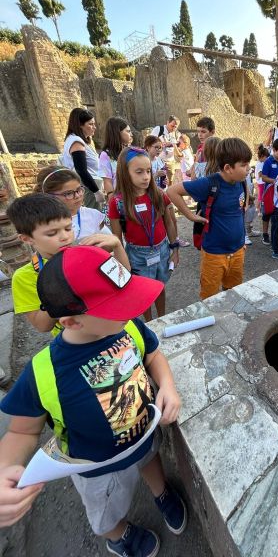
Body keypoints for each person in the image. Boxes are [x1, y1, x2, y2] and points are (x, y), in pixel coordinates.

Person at [0, 245, 187, 557]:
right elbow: (22, 431)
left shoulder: (129, 327)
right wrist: (5, 468)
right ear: (72, 321)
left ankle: (161, 490)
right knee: (106, 509)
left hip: (144, 435)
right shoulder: (44, 372)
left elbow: (153, 354)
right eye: (119, 305)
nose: (134, 310)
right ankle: (119, 535)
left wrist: (167, 385)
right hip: (98, 468)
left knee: (149, 459)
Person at [6, 193, 128, 336]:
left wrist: (118, 246)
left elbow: (124, 277)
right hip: (76, 339)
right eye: (52, 233)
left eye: (68, 228)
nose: (65, 237)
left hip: (111, 326)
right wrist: (57, 290)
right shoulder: (24, 277)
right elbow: (43, 326)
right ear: (27, 239)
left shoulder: (86, 255)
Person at [167, 138, 252, 300]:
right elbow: (172, 191)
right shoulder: (209, 183)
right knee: (209, 298)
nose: (248, 169)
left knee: (233, 294)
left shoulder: (240, 182)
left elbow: (240, 210)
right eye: (244, 165)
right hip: (214, 254)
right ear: (228, 168)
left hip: (237, 251)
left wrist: (241, 241)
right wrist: (190, 215)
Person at [108, 147, 179, 320]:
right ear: (125, 173)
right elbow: (116, 238)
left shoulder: (158, 195)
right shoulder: (118, 203)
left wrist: (175, 250)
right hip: (137, 256)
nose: (146, 176)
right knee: (143, 292)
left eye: (148, 171)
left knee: (160, 287)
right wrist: (122, 263)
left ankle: (161, 318)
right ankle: (150, 323)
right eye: (139, 172)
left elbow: (169, 222)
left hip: (162, 250)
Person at [34, 166, 110, 240]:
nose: (77, 196)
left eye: (79, 190)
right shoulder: (40, 222)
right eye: (68, 193)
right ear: (48, 196)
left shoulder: (93, 215)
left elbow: (110, 243)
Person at [62, 108, 105, 210]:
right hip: (90, 186)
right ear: (80, 125)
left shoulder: (80, 140)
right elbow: (81, 170)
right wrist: (96, 191)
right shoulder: (76, 142)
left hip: (91, 184)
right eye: (90, 124)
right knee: (95, 217)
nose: (94, 127)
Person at [260, 138, 278, 245]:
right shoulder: (268, 161)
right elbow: (263, 177)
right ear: (274, 150)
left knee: (276, 214)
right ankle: (265, 234)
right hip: (269, 191)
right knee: (266, 213)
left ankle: (276, 236)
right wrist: (275, 181)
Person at [99, 117, 133, 199]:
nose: (131, 134)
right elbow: (107, 181)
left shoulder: (130, 151)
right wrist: (112, 199)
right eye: (128, 131)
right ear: (117, 133)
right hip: (120, 198)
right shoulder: (105, 155)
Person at [151, 116, 181, 185]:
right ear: (167, 122)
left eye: (175, 127)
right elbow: (150, 142)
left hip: (170, 162)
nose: (173, 128)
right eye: (172, 126)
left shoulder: (177, 133)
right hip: (159, 161)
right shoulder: (159, 129)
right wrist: (163, 144)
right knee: (159, 182)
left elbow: (179, 146)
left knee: (169, 182)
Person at [254, 144, 270, 215]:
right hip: (261, 182)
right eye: (267, 157)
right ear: (263, 156)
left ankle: (258, 208)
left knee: (260, 196)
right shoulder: (260, 164)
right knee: (260, 196)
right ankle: (258, 209)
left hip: (260, 182)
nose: (267, 159)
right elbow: (260, 174)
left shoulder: (259, 162)